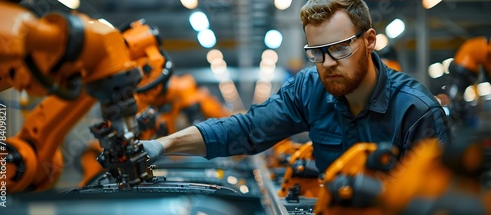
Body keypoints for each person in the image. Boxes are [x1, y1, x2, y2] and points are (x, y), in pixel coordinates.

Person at [141, 0, 451, 174]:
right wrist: (163, 145)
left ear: (369, 41)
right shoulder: (310, 88)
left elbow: (435, 200)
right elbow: (246, 130)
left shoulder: (417, 112)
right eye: (317, 52)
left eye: (340, 48)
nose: (327, 63)